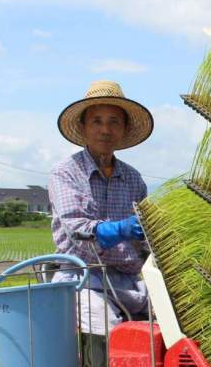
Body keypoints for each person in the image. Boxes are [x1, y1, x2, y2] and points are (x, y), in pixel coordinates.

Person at [48, 80, 154, 337]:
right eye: (97, 121)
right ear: (83, 128)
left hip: (129, 283)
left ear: (124, 129)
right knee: (110, 334)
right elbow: (78, 231)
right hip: (83, 279)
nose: (105, 130)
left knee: (178, 326)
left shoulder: (133, 178)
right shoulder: (66, 174)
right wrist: (123, 228)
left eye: (114, 122)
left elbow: (147, 243)